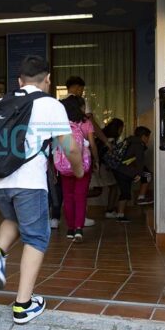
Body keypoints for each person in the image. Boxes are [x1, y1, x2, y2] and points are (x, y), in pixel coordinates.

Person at [0, 56, 83, 324]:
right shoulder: (50, 105)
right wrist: (78, 171)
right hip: (28, 181)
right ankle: (23, 305)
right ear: (48, 80)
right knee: (36, 237)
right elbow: (71, 147)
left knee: (14, 219)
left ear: (19, 81)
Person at [56, 95, 98, 241]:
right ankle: (79, 228)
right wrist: (96, 160)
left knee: (68, 197)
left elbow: (55, 145)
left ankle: (70, 228)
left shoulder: (61, 124)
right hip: (83, 165)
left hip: (64, 165)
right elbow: (92, 144)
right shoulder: (86, 122)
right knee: (80, 197)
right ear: (80, 107)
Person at [112, 126, 154, 221]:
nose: (148, 139)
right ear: (143, 136)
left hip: (119, 169)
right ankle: (141, 198)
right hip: (125, 170)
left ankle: (120, 214)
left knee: (125, 192)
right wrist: (139, 174)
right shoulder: (138, 144)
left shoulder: (129, 140)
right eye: (148, 137)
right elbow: (140, 161)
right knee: (147, 175)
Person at [95, 118, 125, 219]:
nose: (122, 131)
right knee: (114, 187)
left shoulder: (102, 136)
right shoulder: (110, 140)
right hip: (104, 167)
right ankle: (110, 210)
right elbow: (106, 155)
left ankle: (77, 197)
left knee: (97, 190)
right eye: (121, 128)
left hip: (97, 165)